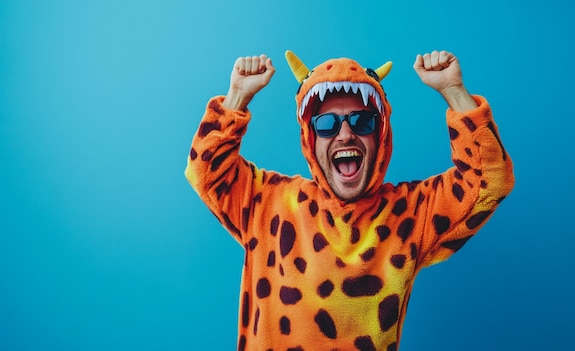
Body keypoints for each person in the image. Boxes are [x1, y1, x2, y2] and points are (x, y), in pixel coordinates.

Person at [185, 50, 514, 351]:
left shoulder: (410, 215)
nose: (344, 135)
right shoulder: (269, 202)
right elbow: (206, 172)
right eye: (326, 124)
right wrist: (237, 96)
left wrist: (453, 90)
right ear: (310, 139)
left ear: (380, 134)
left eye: (362, 121)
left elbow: (489, 180)